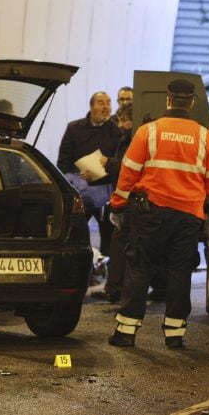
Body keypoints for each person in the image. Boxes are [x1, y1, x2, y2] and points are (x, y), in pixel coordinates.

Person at [107, 79, 209, 349]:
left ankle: (126, 332)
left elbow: (128, 172)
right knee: (179, 272)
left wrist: (117, 206)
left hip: (151, 213)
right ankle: (174, 335)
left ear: (168, 100)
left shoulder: (148, 131)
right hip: (188, 217)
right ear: (192, 103)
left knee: (139, 269)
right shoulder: (205, 136)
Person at [57, 91, 121, 256]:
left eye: (108, 102)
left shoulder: (117, 131)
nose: (106, 107)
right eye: (101, 102)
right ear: (91, 106)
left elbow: (119, 163)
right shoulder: (74, 128)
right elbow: (63, 161)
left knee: (108, 238)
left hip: (105, 193)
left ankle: (107, 271)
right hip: (80, 192)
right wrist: (73, 179)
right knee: (75, 236)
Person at [90, 104, 134, 302]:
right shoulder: (125, 138)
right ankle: (116, 287)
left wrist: (107, 163)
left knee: (119, 242)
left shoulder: (133, 138)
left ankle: (114, 288)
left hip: (129, 200)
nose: (121, 124)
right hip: (127, 199)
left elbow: (127, 165)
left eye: (124, 120)